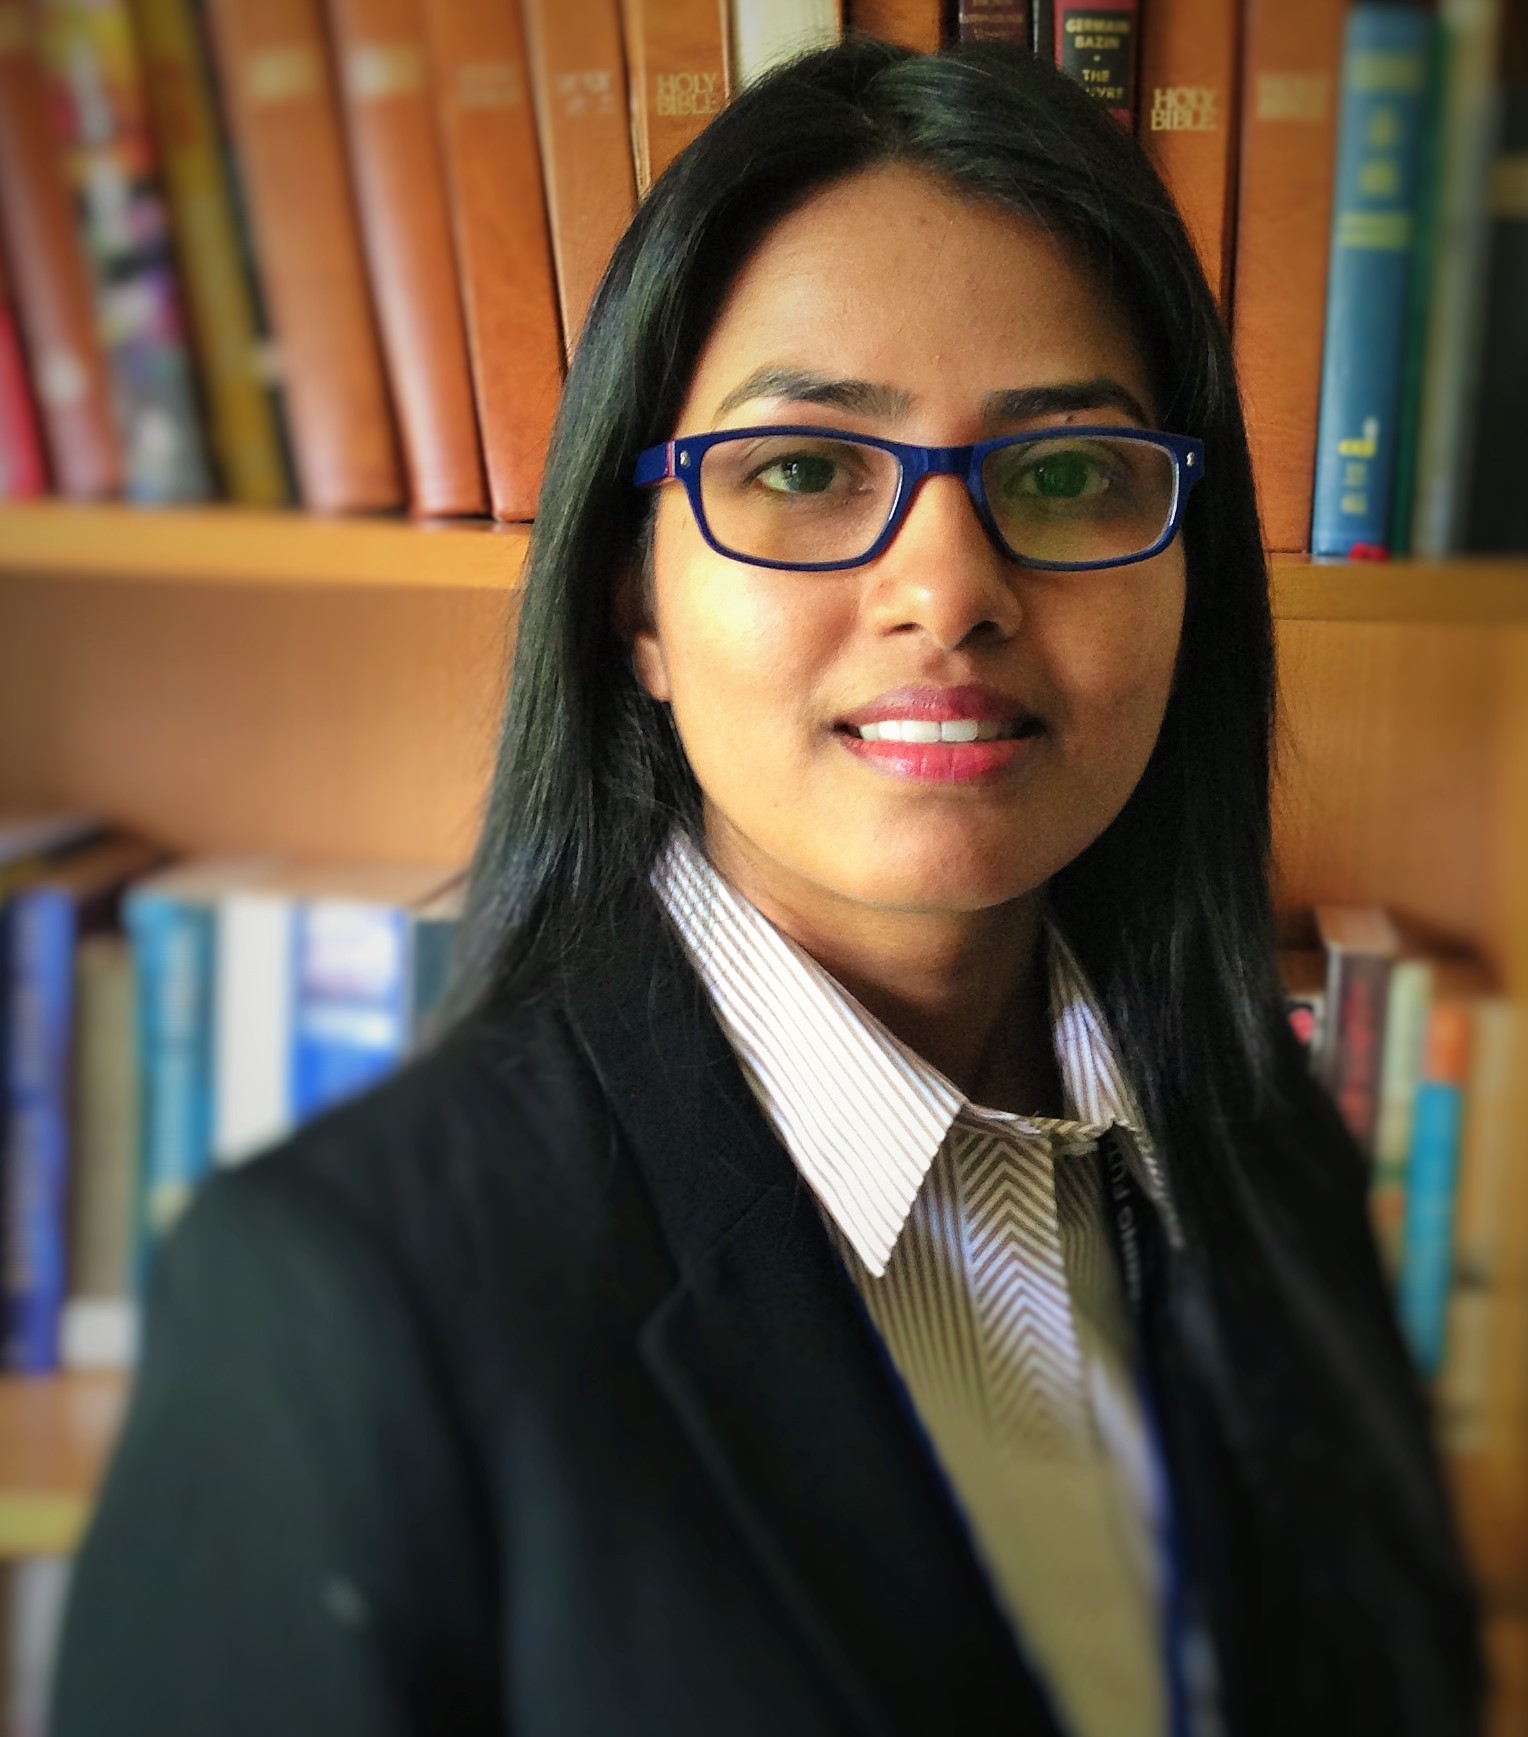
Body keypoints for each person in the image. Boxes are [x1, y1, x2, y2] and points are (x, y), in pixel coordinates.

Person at [53, 36, 1481, 1737]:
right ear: (635, 602)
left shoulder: (1266, 1152)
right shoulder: (340, 1304)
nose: (948, 591)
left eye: (1066, 473)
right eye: (803, 468)